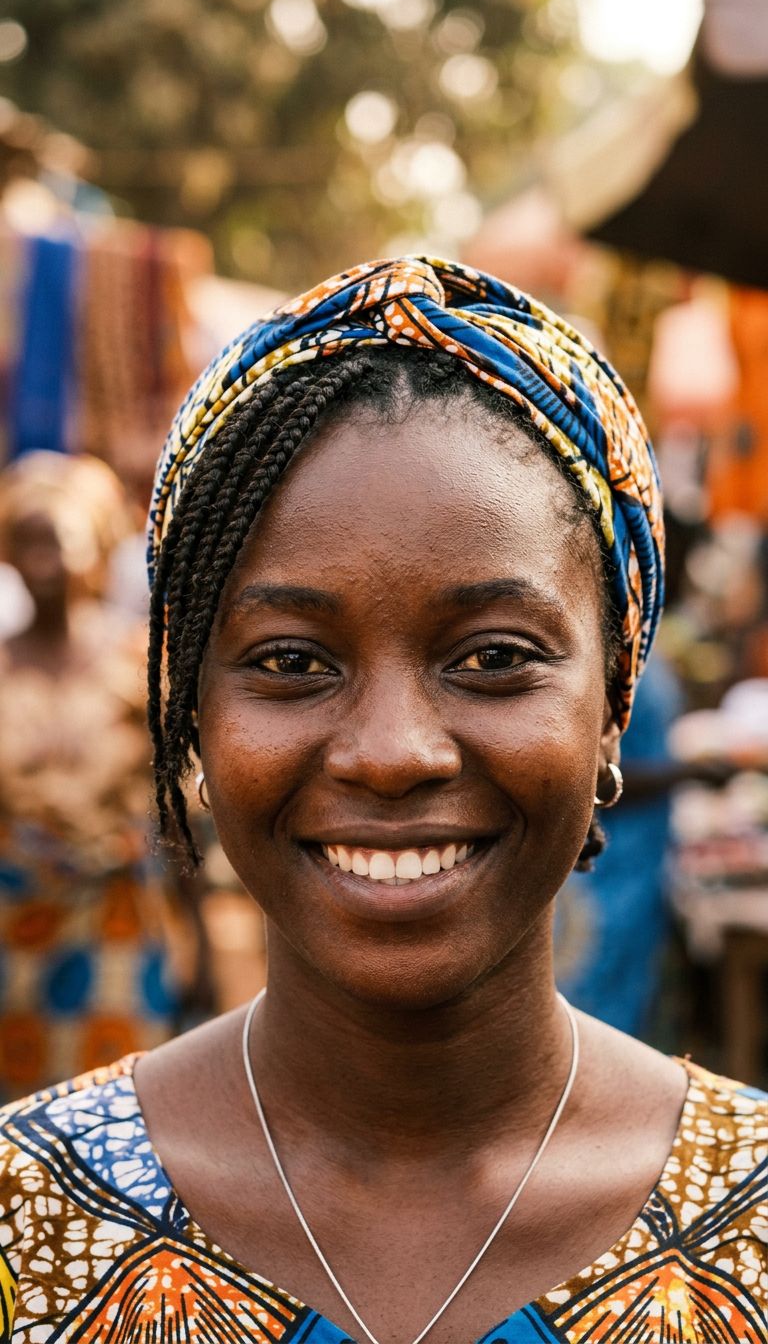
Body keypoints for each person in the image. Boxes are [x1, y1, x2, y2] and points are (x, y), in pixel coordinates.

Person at [0, 258, 764, 1342]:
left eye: (495, 655)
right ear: (191, 716)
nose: (393, 752)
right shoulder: (27, 1217)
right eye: (293, 661)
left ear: (611, 705)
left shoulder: (752, 1223)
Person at [0, 452, 188, 1101]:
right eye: (24, 540)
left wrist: (201, 943)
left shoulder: (136, 662)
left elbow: (182, 802)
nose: (41, 558)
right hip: (11, 918)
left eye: (55, 538)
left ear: (97, 546)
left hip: (115, 918)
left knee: (114, 1099)